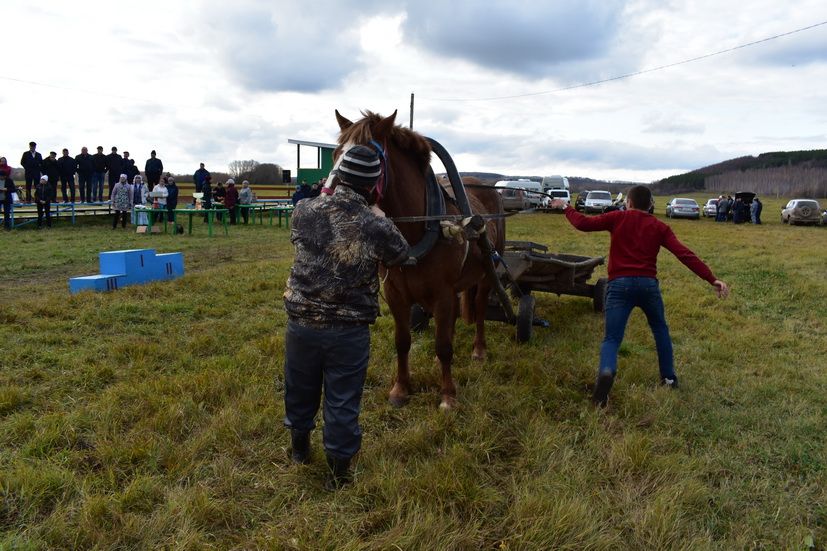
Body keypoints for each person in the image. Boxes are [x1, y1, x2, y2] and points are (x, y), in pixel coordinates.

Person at [283, 145, 410, 490]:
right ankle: (338, 474)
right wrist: (383, 219)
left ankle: (299, 450)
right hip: (348, 330)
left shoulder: (303, 210)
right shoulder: (375, 225)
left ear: (337, 176)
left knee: (300, 387)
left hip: (301, 324)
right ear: (373, 185)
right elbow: (401, 255)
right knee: (342, 398)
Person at [551, 185, 729, 407]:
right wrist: (712, 279)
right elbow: (684, 254)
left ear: (629, 203)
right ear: (651, 205)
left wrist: (566, 207)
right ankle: (669, 378)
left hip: (618, 286)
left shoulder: (617, 218)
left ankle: (607, 370)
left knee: (612, 338)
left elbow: (583, 223)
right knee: (660, 330)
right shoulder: (660, 226)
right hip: (648, 287)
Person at [1, 157, 15, 230]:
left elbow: (14, 189)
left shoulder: (9, 180)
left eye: (3, 176)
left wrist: (7, 189)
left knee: (7, 213)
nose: (2, 178)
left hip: (7, 198)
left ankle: (7, 227)